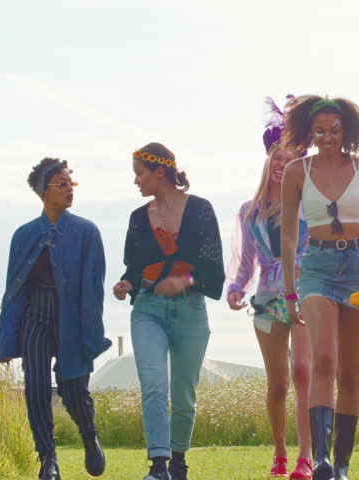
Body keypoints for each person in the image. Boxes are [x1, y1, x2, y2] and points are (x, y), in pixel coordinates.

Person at [280, 95, 359, 480]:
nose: (327, 136)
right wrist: (289, 288)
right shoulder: (297, 170)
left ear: (348, 130)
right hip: (318, 267)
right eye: (319, 130)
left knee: (350, 372)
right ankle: (321, 460)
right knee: (322, 360)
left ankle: (342, 464)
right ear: (307, 133)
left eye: (334, 129)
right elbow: (290, 235)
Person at [113, 142, 224, 480]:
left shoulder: (201, 209)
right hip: (148, 310)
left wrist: (183, 281)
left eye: (139, 174)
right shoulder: (137, 218)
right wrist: (126, 284)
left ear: (159, 172)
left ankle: (178, 461)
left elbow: (213, 267)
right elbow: (134, 267)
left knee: (185, 394)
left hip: (191, 311)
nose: (136, 182)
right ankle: (158, 465)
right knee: (154, 386)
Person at [0, 157, 112, 480]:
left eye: (70, 183)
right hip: (36, 313)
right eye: (61, 184)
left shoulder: (87, 231)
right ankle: (48, 460)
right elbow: (13, 290)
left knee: (73, 390)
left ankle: (89, 436)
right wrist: (7, 339)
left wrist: (91, 335)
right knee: (34, 386)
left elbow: (94, 288)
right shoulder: (23, 235)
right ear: (43, 191)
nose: (69, 189)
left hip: (72, 318)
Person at [225, 97, 313, 480]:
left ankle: (306, 457)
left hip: (307, 294)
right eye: (277, 159)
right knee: (278, 383)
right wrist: (235, 287)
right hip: (267, 300)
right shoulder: (250, 211)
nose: (282, 166)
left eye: (291, 159)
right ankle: (280, 453)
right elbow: (245, 260)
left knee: (304, 370)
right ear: (268, 162)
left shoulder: (312, 204)